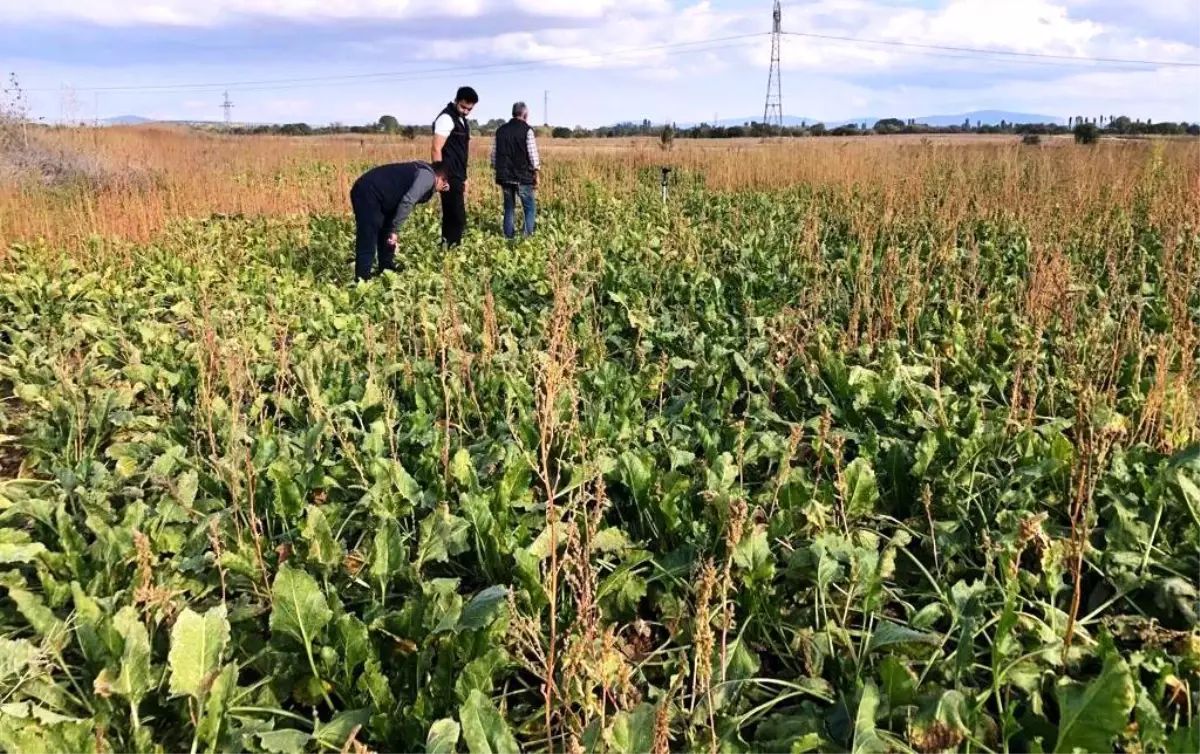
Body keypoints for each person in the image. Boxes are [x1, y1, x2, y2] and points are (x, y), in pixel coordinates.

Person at [349, 160, 450, 281]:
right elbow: (408, 201)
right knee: (368, 236)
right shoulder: (428, 177)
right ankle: (362, 280)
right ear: (440, 178)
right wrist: (395, 230)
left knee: (386, 231)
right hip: (368, 192)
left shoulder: (423, 170)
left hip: (380, 196)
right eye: (444, 183)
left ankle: (386, 270)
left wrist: (392, 229)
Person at [431, 86, 478, 247]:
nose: (465, 111)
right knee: (455, 216)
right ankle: (451, 249)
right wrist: (440, 177)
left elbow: (461, 152)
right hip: (448, 174)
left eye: (469, 109)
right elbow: (436, 148)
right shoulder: (446, 118)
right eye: (463, 107)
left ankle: (447, 248)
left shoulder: (461, 120)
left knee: (453, 215)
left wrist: (464, 178)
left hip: (458, 174)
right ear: (456, 100)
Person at [490, 101, 541, 239]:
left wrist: (497, 169)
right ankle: (527, 238)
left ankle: (508, 238)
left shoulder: (500, 130)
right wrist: (536, 173)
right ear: (525, 114)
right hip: (523, 177)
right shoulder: (527, 130)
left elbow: (494, 155)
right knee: (529, 208)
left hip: (505, 176)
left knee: (509, 208)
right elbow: (533, 155)